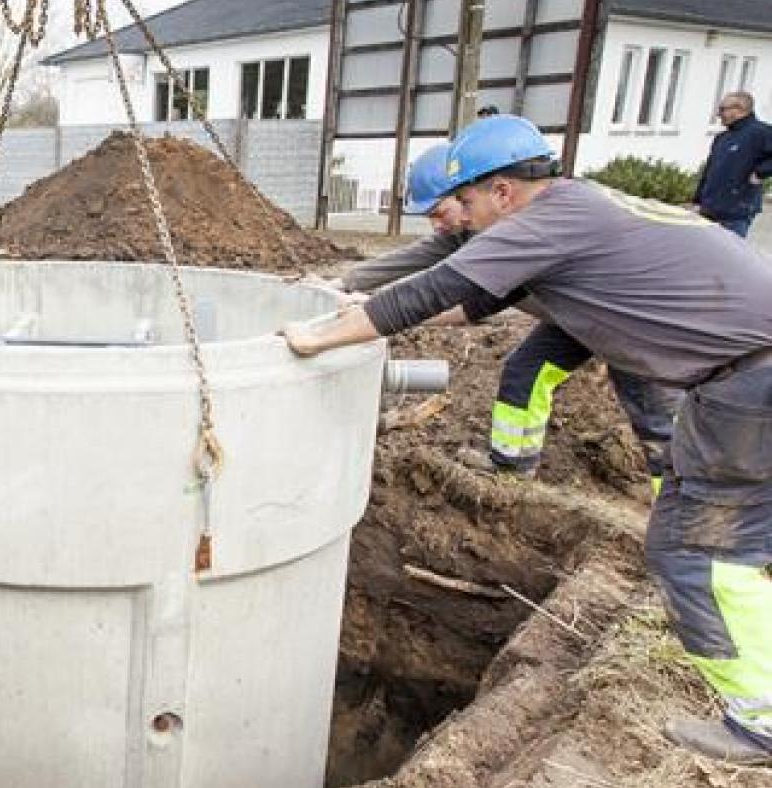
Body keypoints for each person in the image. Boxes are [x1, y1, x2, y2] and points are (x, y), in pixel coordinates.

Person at [283, 115, 772, 765]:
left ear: (503, 192)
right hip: (738, 370)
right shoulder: (570, 209)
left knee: (698, 553)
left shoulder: (548, 221)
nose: (454, 216)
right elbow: (466, 299)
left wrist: (317, 338)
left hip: (746, 380)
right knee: (703, 544)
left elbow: (442, 286)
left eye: (463, 201)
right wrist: (351, 298)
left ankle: (760, 722)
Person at [341, 143, 679, 489]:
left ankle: (679, 520)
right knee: (526, 371)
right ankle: (512, 469)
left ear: (471, 193)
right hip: (570, 317)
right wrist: (346, 284)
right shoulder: (466, 231)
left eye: (441, 212)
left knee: (656, 419)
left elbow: (475, 303)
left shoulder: (522, 232)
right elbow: (417, 259)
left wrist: (381, 315)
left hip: (628, 319)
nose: (437, 225)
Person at [693, 91, 772, 238]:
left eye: (723, 109)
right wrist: (697, 200)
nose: (719, 114)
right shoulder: (722, 138)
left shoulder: (761, 133)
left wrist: (761, 172)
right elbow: (709, 170)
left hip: (736, 213)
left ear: (740, 110)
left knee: (728, 255)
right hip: (709, 209)